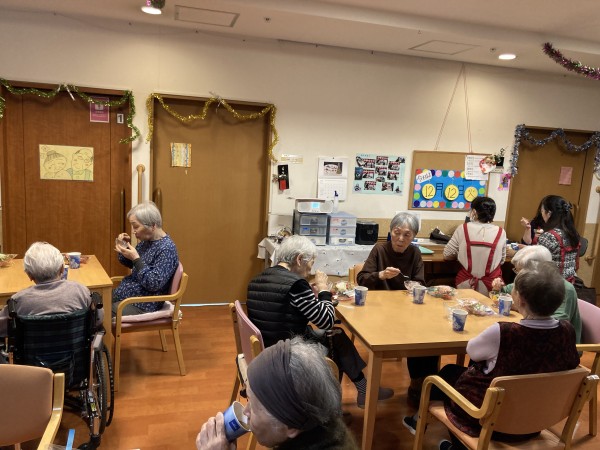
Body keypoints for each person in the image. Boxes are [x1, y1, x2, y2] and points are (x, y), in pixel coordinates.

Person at [404, 261, 580, 449]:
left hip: (489, 419)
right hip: (536, 418)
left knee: (444, 375)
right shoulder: (567, 331)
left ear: (520, 299)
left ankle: (448, 439)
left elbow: (473, 351)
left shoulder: (504, 332)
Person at [246, 235, 393, 408]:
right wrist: (324, 290)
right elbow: (326, 321)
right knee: (334, 339)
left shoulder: (257, 279)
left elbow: (285, 309)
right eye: (311, 263)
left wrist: (311, 296)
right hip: (288, 353)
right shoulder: (296, 284)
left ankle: (359, 392)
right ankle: (333, 406)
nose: (310, 269)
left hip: (268, 346)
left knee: (336, 336)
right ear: (299, 259)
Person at [196, 338, 359, 450]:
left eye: (253, 407)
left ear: (290, 427)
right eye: (248, 398)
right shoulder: (323, 427)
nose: (245, 412)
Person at [0, 242, 102, 337]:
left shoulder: (18, 301)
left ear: (29, 275)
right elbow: (98, 319)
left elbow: (2, 329)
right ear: (62, 269)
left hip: (34, 350)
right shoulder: (81, 292)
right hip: (75, 350)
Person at [491, 245, 581, 343]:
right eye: (517, 270)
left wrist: (519, 306)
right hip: (533, 335)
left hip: (558, 342)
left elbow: (556, 322)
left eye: (521, 271)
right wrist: (497, 289)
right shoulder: (529, 281)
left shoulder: (563, 287)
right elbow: (505, 292)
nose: (518, 275)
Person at [113, 201, 179, 316]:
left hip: (144, 303)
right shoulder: (146, 242)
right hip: (129, 294)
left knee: (100, 313)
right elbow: (132, 264)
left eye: (136, 226)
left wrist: (136, 259)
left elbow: (153, 283)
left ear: (152, 225)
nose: (133, 231)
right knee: (94, 300)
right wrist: (123, 247)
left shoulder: (166, 249)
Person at [443, 196, 506, 296]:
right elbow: (501, 260)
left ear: (474, 212)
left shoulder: (463, 228)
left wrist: (461, 254)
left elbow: (447, 254)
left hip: (465, 283)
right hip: (492, 286)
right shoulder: (501, 232)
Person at [357, 212, 425, 290]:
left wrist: (414, 285)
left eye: (406, 235)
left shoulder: (415, 252)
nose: (401, 239)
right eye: (397, 233)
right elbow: (362, 279)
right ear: (390, 232)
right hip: (380, 296)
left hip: (405, 296)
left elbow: (420, 282)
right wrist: (381, 275)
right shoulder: (379, 249)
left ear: (414, 236)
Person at [536, 195, 580, 283]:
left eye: (542, 211)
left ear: (549, 213)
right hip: (569, 283)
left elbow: (537, 264)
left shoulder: (549, 236)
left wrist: (518, 253)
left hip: (552, 285)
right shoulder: (573, 234)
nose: (541, 214)